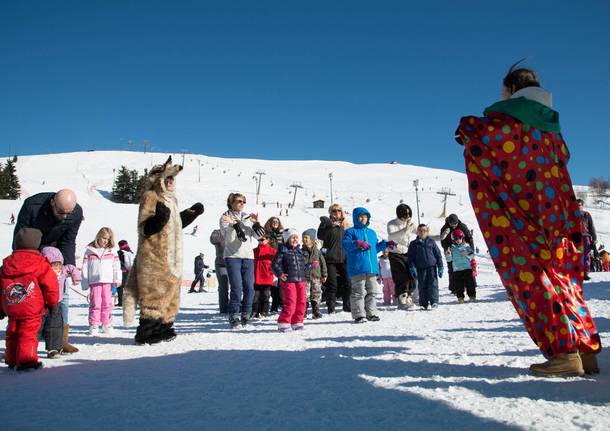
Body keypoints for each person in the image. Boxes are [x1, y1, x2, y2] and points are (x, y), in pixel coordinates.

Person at [455, 62, 601, 377]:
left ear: (510, 89)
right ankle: (586, 351)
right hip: (561, 218)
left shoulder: (511, 121)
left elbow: (481, 137)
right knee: (566, 281)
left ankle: (564, 352)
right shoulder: (551, 127)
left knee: (535, 279)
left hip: (528, 219)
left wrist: (466, 128)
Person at [0, 228, 59, 371]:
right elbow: (50, 285)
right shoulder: (40, 263)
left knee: (12, 331)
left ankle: (12, 358)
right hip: (32, 306)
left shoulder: (6, 264)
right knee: (28, 333)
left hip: (11, 305)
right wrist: (53, 303)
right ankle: (27, 361)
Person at [220, 192, 265, 329]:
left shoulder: (247, 217)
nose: (242, 203)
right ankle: (234, 315)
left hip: (248, 256)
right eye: (239, 201)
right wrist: (235, 226)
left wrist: (256, 224)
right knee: (237, 287)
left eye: (244, 201)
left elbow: (259, 237)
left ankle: (246, 314)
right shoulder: (225, 217)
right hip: (232, 256)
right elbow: (227, 239)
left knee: (249, 288)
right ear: (231, 202)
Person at [342, 207, 393, 323]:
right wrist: (356, 243)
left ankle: (371, 313)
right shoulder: (350, 232)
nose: (363, 218)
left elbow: (374, 249)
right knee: (358, 292)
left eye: (365, 216)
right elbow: (345, 245)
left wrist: (386, 244)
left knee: (372, 292)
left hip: (371, 268)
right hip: (357, 268)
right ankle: (359, 314)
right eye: (360, 216)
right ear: (355, 217)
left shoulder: (372, 233)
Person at [13, 189, 83, 265]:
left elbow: (68, 241)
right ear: (52, 202)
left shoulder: (76, 213)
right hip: (31, 248)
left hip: (54, 252)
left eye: (69, 213)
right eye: (61, 212)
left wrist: (70, 265)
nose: (64, 216)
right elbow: (21, 237)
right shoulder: (32, 206)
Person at [41, 246, 81, 355]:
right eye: (54, 264)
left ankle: (55, 347)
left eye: (59, 264)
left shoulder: (62, 270)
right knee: (39, 325)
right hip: (43, 304)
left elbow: (72, 268)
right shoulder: (43, 273)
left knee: (55, 325)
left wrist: (76, 277)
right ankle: (29, 346)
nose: (57, 267)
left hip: (57, 303)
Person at [81, 227, 121, 335]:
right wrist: (85, 281)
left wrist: (117, 279)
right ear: (99, 236)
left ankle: (106, 323)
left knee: (107, 303)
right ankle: (94, 324)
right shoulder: (89, 251)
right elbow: (85, 267)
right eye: (104, 238)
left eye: (108, 239)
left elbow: (116, 266)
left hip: (108, 281)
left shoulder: (112, 251)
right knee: (95, 303)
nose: (105, 241)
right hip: (95, 281)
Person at [317, 203, 351, 313]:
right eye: (334, 210)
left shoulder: (345, 224)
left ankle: (347, 306)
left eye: (339, 210)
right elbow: (320, 236)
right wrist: (328, 225)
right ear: (330, 212)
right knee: (332, 284)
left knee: (348, 282)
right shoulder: (326, 223)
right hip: (330, 258)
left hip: (344, 258)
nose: (336, 212)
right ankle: (331, 308)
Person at [272, 229, 307, 332]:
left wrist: (309, 266)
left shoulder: (299, 251)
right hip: (289, 280)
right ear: (287, 239)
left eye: (296, 237)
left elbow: (302, 266)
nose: (295, 239)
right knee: (291, 301)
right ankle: (284, 322)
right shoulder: (283, 251)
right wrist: (280, 274)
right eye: (292, 237)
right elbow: (275, 265)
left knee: (302, 301)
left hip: (301, 280)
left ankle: (297, 321)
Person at [387, 204, 417, 309]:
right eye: (405, 214)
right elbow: (391, 236)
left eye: (409, 214)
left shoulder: (409, 224)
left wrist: (440, 237)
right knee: (401, 277)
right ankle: (401, 299)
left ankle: (408, 296)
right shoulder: (392, 224)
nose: (407, 216)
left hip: (407, 253)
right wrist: (405, 230)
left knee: (411, 277)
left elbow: (422, 232)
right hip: (395, 253)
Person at [407, 224, 444, 310]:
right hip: (420, 268)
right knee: (422, 286)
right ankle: (423, 304)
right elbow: (411, 258)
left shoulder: (431, 242)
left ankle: (434, 302)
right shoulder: (413, 244)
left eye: (424, 230)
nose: (422, 232)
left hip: (432, 267)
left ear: (427, 232)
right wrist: (412, 268)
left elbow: (438, 255)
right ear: (417, 232)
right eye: (420, 230)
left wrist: (440, 266)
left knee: (433, 285)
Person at [439, 213, 474, 294]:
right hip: (452, 251)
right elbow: (443, 240)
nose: (454, 225)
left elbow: (469, 238)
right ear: (449, 222)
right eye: (452, 224)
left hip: (463, 249)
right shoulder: (445, 228)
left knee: (467, 268)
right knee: (452, 269)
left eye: (455, 224)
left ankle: (470, 285)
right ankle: (453, 287)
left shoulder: (463, 226)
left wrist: (471, 250)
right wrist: (446, 248)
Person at [444, 230, 476, 304]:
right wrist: (448, 254)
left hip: (467, 268)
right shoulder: (452, 248)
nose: (458, 240)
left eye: (459, 238)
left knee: (470, 284)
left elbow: (471, 256)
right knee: (459, 285)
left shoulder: (466, 246)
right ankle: (460, 297)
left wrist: (463, 249)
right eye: (456, 239)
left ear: (462, 238)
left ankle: (472, 296)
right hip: (457, 269)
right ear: (453, 240)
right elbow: (449, 260)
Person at [302, 228, 327, 319]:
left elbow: (323, 263)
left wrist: (324, 274)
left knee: (316, 294)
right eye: (303, 238)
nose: (304, 240)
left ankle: (315, 311)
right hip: (305, 277)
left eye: (306, 238)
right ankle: (303, 311)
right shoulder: (301, 251)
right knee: (305, 294)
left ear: (312, 239)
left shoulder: (317, 252)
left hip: (316, 276)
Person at [252, 236, 277, 318]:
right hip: (256, 277)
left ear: (267, 240)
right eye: (259, 240)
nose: (260, 241)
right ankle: (255, 311)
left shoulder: (272, 251)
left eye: (262, 239)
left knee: (266, 295)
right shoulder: (254, 251)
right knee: (256, 295)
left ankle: (264, 311)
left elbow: (277, 263)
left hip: (267, 277)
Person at [264, 216, 285, 312]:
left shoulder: (282, 234)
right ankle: (269, 305)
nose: (275, 223)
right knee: (271, 284)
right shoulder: (266, 234)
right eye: (273, 222)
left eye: (277, 222)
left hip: (280, 261)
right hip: (269, 260)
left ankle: (279, 302)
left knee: (280, 283)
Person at [576, 199, 597, 280]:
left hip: (586, 237)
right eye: (576, 205)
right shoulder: (572, 214)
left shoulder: (586, 214)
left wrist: (594, 238)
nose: (578, 207)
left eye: (579, 205)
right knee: (577, 255)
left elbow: (591, 227)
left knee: (586, 255)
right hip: (576, 237)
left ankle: (585, 273)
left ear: (582, 205)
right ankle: (577, 272)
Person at [210, 229, 230, 313]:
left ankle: (234, 306)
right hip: (222, 264)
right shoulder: (217, 232)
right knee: (223, 286)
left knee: (237, 286)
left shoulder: (235, 230)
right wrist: (222, 233)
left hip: (236, 263)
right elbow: (213, 239)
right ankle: (224, 308)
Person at [117, 240, 134, 306]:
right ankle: (131, 301)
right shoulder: (131, 252)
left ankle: (120, 302)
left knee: (120, 287)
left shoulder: (119, 252)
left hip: (122, 271)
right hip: (130, 272)